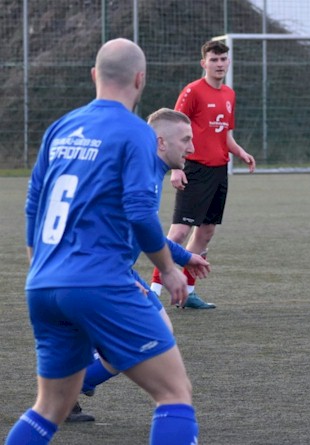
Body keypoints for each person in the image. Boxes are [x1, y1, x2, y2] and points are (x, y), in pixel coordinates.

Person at [6, 38, 200, 444]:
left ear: (95, 75)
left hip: (43, 283)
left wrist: (39, 264)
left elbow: (32, 206)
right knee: (174, 394)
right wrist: (169, 269)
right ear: (140, 79)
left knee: (49, 408)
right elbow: (140, 213)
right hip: (98, 282)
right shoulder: (136, 134)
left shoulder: (60, 127)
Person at [67, 108, 211, 423]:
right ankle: (73, 387)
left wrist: (185, 258)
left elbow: (142, 229)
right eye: (185, 140)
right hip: (101, 272)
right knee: (147, 342)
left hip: (113, 270)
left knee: (154, 332)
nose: (191, 148)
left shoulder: (144, 167)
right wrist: (114, 276)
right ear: (160, 142)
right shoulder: (140, 171)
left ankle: (73, 387)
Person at [149, 39, 256, 309]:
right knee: (179, 233)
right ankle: (154, 293)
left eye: (223, 59)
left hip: (219, 170)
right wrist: (176, 168)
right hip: (194, 168)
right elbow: (173, 131)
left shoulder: (229, 94)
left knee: (206, 232)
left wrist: (240, 152)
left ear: (228, 62)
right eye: (214, 59)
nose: (219, 64)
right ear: (203, 63)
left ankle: (188, 292)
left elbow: (225, 135)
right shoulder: (192, 91)